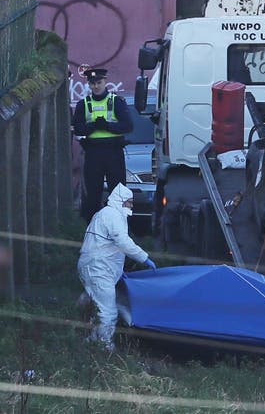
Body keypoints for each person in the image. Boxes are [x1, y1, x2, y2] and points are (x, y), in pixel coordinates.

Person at [77, 183, 157, 352]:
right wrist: (145, 258)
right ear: (120, 201)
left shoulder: (106, 215)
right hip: (98, 269)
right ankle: (104, 347)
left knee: (97, 307)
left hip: (95, 268)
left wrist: (117, 272)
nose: (131, 206)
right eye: (129, 202)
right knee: (108, 312)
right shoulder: (112, 215)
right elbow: (123, 242)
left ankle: (90, 343)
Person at [72, 68, 133, 223]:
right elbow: (77, 128)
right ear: (89, 84)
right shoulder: (83, 104)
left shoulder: (116, 102)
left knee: (118, 192)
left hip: (113, 152)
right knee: (92, 194)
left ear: (105, 81)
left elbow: (128, 126)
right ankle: (92, 229)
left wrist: (106, 126)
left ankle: (120, 227)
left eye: (99, 82)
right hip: (93, 153)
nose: (96, 86)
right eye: (92, 83)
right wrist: (93, 126)